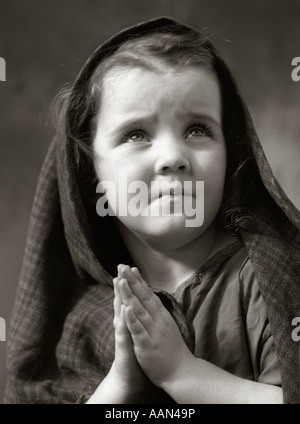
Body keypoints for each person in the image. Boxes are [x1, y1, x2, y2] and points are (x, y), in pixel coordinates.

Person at [4, 17, 300, 404]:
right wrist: (120, 385)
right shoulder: (77, 320)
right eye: (136, 134)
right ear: (90, 170)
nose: (173, 157)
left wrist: (183, 374)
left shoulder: (270, 280)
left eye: (197, 129)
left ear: (231, 151)